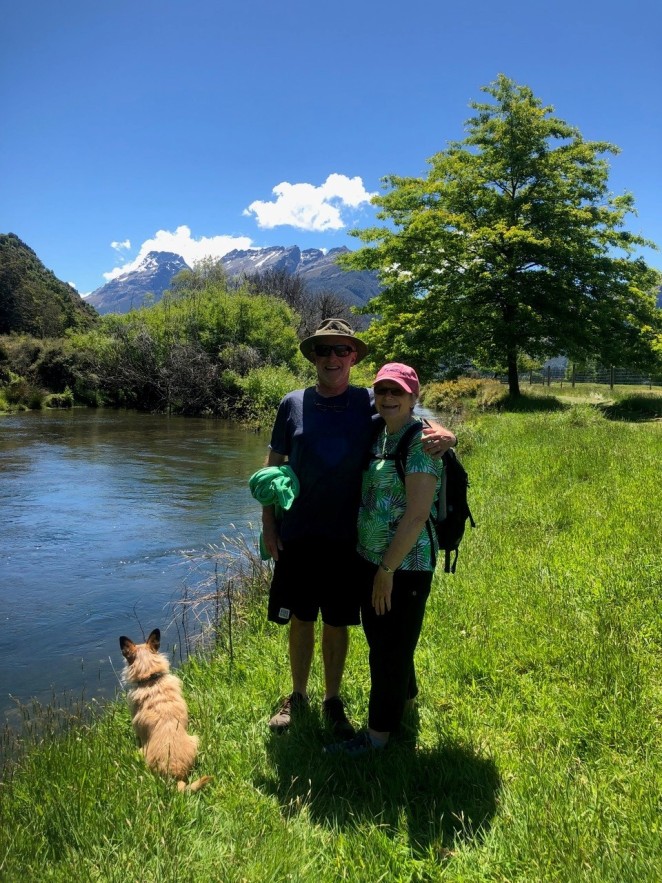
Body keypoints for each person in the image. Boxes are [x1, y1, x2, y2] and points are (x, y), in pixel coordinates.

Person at [261, 321, 456, 736]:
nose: (332, 358)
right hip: (297, 533)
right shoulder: (291, 404)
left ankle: (332, 700)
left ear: (353, 357)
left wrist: (447, 434)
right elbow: (271, 471)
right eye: (324, 350)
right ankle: (298, 696)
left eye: (341, 350)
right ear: (313, 357)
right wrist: (268, 525)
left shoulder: (371, 400)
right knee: (300, 618)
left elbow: (413, 420)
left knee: (336, 620)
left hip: (348, 539)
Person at [324, 362, 444, 756]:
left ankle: (377, 738)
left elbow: (417, 516)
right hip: (371, 559)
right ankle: (405, 702)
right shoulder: (380, 433)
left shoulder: (422, 443)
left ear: (414, 397)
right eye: (382, 390)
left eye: (397, 391)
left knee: (388, 650)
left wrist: (387, 570)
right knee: (388, 641)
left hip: (404, 566)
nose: (388, 397)